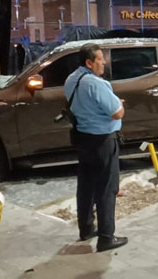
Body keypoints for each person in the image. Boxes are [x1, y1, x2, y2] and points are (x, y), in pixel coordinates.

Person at [64, 43, 127, 252]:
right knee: (107, 189)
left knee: (86, 187)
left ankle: (86, 228)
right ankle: (106, 237)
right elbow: (117, 113)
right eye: (100, 59)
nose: (104, 62)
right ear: (89, 63)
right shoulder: (95, 83)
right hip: (103, 141)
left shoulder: (71, 79)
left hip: (83, 139)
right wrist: (120, 104)